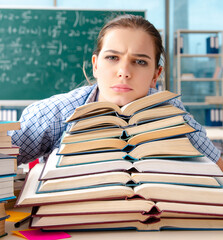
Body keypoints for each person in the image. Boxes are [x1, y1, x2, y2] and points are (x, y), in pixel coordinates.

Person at [10, 14, 223, 171]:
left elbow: (217, 167)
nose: (124, 72)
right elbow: (5, 158)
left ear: (155, 75)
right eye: (112, 58)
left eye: (140, 62)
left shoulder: (174, 114)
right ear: (95, 65)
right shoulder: (56, 112)